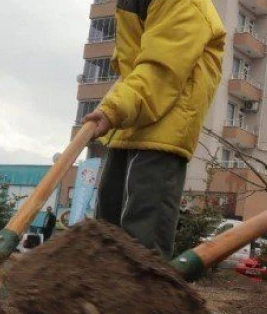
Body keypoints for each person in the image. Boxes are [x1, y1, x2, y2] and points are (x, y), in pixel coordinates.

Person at [82, 0, 226, 259]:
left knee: (142, 244)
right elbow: (132, 67)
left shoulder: (185, 3)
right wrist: (114, 105)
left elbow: (161, 70)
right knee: (106, 232)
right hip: (131, 124)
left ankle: (143, 297)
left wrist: (114, 109)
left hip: (164, 130)